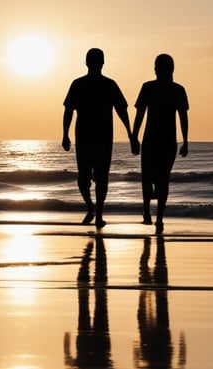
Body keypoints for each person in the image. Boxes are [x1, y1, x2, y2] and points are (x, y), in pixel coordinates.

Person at [62, 48, 134, 228]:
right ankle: (91, 208)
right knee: (84, 179)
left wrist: (130, 133)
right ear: (88, 63)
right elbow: (68, 110)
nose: (95, 64)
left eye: (96, 61)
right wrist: (65, 134)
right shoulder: (78, 84)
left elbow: (121, 110)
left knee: (101, 178)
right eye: (93, 61)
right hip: (85, 138)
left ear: (101, 63)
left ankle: (99, 214)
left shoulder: (109, 85)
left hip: (102, 139)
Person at [130, 53, 189, 233]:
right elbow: (140, 113)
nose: (156, 69)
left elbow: (182, 116)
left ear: (168, 69)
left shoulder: (174, 89)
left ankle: (154, 215)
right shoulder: (156, 88)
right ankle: (153, 215)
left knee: (154, 179)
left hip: (159, 141)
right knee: (156, 179)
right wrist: (134, 137)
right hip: (160, 141)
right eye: (156, 66)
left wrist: (186, 141)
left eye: (158, 66)